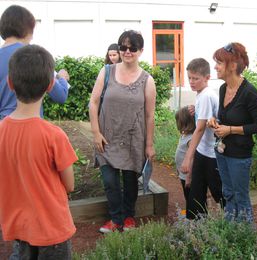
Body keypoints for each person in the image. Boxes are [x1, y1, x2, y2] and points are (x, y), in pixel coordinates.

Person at [0, 44, 77, 260]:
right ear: (51, 84)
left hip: (20, 227)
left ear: (10, 83)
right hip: (52, 229)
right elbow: (69, 185)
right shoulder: (54, 135)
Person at [89, 30, 156, 233]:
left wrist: (149, 145)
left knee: (130, 182)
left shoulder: (147, 80)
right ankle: (115, 219)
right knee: (110, 181)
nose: (127, 51)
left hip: (133, 139)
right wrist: (95, 132)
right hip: (106, 137)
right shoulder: (107, 71)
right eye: (123, 47)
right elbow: (93, 102)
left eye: (132, 48)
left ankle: (128, 218)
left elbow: (149, 116)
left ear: (140, 50)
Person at [207, 42, 257, 223]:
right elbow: (225, 118)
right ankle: (230, 232)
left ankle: (245, 238)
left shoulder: (249, 92)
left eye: (219, 62)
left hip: (239, 156)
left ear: (232, 65)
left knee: (241, 197)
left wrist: (230, 130)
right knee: (227, 193)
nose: (215, 67)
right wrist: (215, 122)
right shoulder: (224, 88)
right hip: (222, 151)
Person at [0, 5, 71, 120]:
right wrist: (62, 78)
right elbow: (60, 96)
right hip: (33, 128)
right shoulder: (35, 56)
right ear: (27, 29)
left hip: (4, 128)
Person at [180, 58, 224, 220]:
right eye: (189, 78)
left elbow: (199, 129)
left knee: (219, 193)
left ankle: (233, 225)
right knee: (195, 192)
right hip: (202, 151)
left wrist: (187, 158)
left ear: (207, 77)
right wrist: (195, 107)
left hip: (211, 155)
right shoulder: (201, 95)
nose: (191, 82)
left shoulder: (206, 96)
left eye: (196, 78)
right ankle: (196, 228)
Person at [175, 106, 196, 205]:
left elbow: (192, 158)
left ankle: (195, 217)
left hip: (188, 175)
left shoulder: (191, 138)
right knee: (187, 196)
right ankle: (190, 215)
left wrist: (189, 177)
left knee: (192, 198)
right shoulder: (184, 135)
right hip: (182, 174)